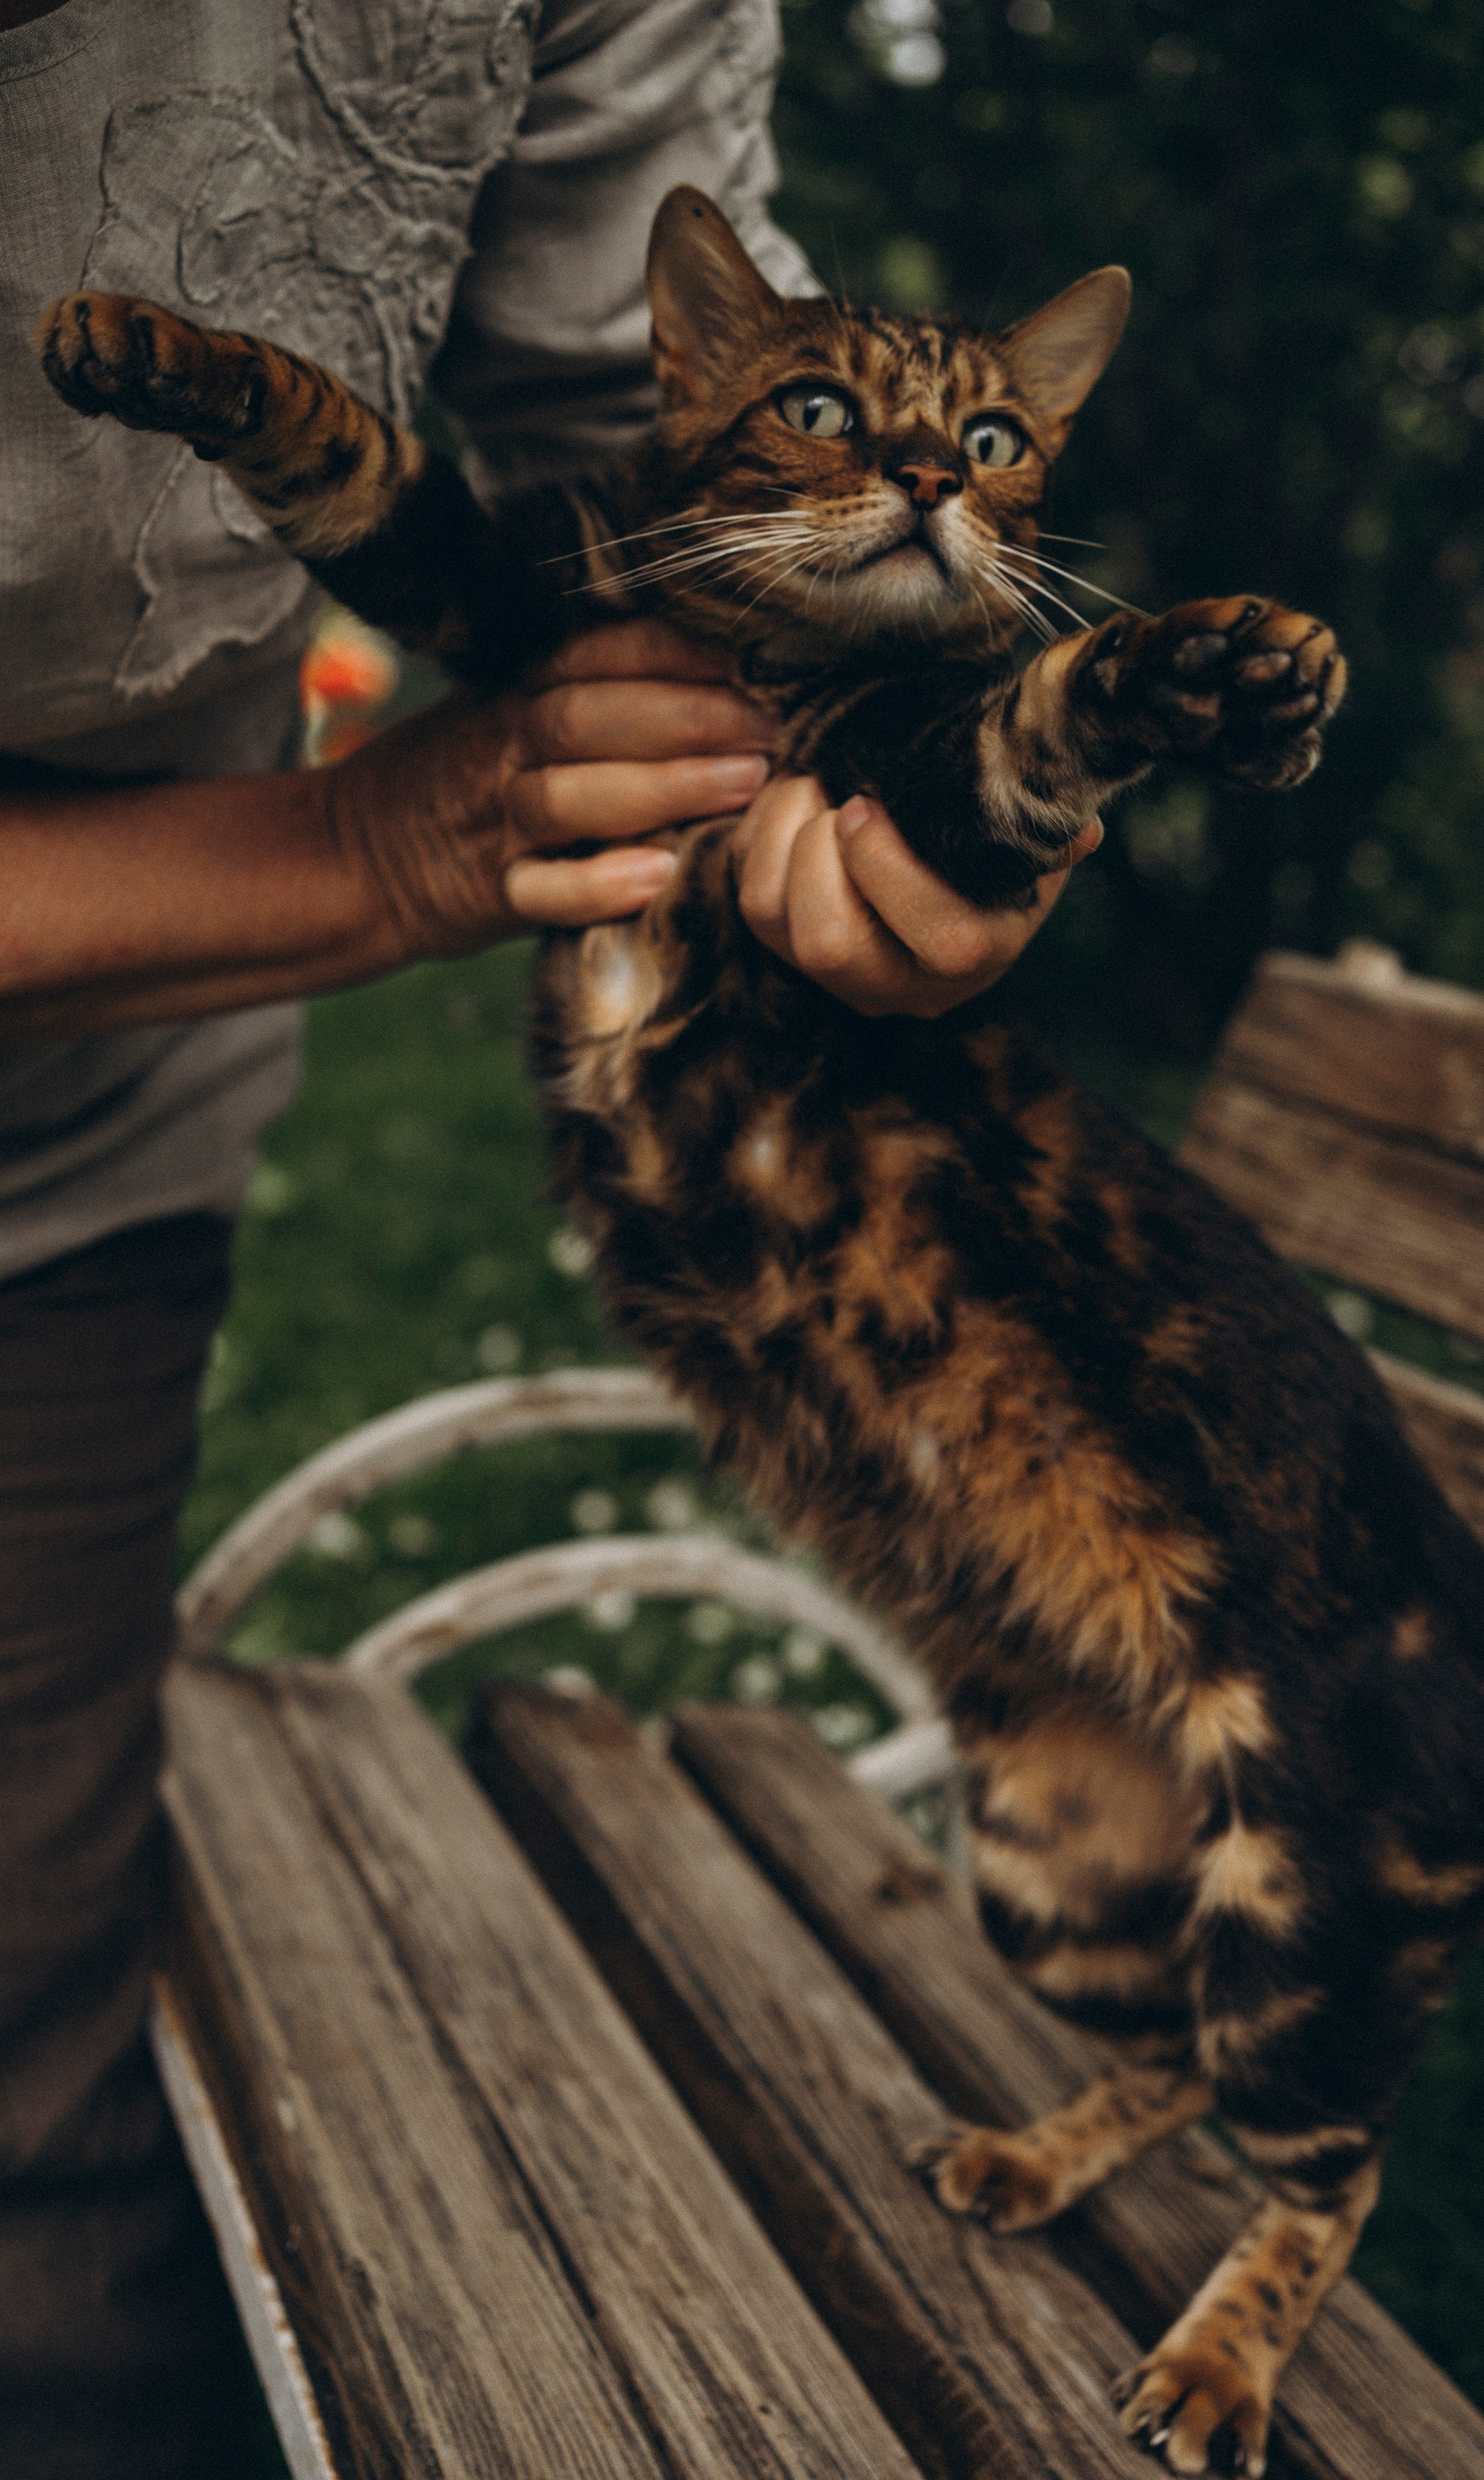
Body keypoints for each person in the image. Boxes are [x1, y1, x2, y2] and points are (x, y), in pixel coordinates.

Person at [0, 2, 1091, 2471]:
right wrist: (362, 851)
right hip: (203, 915)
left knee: (35, 2167)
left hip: (67, 1163)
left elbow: (667, 420)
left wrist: (887, 780)